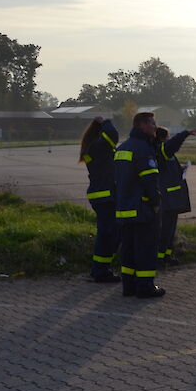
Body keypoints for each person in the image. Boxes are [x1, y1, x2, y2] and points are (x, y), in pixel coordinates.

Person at [113, 112, 165, 299]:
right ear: (141, 125)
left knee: (128, 248)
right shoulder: (143, 148)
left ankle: (129, 286)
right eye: (152, 123)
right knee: (146, 248)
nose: (155, 127)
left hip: (124, 207)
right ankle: (145, 286)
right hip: (142, 208)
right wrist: (156, 203)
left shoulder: (122, 148)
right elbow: (150, 179)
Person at [80, 115, 122, 283]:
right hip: (106, 196)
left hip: (103, 195)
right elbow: (113, 135)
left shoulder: (93, 148)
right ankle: (100, 271)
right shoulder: (98, 148)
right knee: (108, 234)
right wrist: (106, 121)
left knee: (109, 234)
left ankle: (101, 269)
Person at [154, 125, 196, 267]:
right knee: (164, 229)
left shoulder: (168, 154)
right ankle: (159, 258)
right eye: (167, 137)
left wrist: (181, 168)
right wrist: (185, 133)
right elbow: (172, 145)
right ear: (162, 138)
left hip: (174, 197)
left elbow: (168, 168)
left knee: (170, 229)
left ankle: (167, 255)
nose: (169, 139)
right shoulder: (161, 150)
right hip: (167, 198)